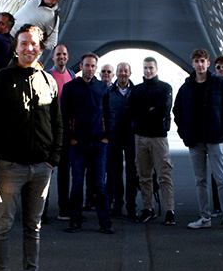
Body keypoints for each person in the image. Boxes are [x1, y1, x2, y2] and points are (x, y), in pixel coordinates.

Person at [0, 25, 62, 271]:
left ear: (41, 47)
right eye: (24, 43)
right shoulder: (0, 80)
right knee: (3, 224)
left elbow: (57, 122)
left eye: (34, 43)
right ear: (15, 47)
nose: (29, 48)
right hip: (9, 166)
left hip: (41, 167)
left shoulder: (48, 81)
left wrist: (52, 158)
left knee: (33, 227)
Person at [174, 48, 223, 230]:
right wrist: (184, 132)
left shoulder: (218, 83)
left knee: (221, 179)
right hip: (195, 139)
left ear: (208, 63)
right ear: (193, 64)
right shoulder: (187, 87)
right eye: (197, 61)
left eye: (202, 61)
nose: (200, 64)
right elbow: (177, 110)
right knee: (200, 180)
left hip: (214, 137)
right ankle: (205, 217)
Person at [61, 53, 113, 233]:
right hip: (78, 144)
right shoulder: (70, 88)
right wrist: (71, 138)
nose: (90, 69)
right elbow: (64, 115)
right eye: (87, 65)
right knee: (77, 184)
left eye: (92, 66)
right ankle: (75, 220)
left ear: (96, 68)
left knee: (99, 184)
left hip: (98, 143)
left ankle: (105, 221)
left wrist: (106, 136)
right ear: (81, 66)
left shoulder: (102, 87)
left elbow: (108, 112)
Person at [129, 57, 176, 225]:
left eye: (150, 67)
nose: (148, 71)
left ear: (156, 69)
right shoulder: (137, 89)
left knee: (164, 174)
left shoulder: (165, 87)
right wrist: (149, 110)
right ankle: (148, 208)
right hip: (141, 136)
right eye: (145, 68)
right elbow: (131, 110)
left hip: (158, 137)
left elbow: (163, 109)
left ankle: (170, 210)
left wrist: (143, 111)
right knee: (144, 175)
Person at [105, 62, 138, 219]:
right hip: (114, 136)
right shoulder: (108, 92)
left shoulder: (136, 91)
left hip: (132, 136)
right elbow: (104, 113)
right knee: (115, 173)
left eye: (126, 71)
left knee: (132, 173)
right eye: (120, 71)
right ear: (116, 74)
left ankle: (131, 206)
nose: (123, 74)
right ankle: (117, 204)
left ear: (130, 73)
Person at [46, 44, 74, 222]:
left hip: (65, 130)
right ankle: (41, 212)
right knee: (45, 172)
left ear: (68, 57)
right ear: (53, 57)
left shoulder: (72, 75)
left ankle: (64, 209)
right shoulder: (46, 75)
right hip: (49, 130)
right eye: (58, 54)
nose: (61, 57)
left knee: (64, 171)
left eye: (64, 54)